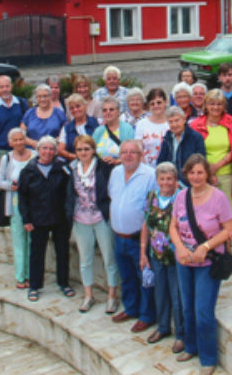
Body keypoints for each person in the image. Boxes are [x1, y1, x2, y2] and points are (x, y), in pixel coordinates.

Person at [169, 154, 232, 374]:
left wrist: (205, 247)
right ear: (186, 174)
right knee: (187, 307)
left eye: (200, 172)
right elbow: (173, 226)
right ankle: (191, 346)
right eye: (192, 173)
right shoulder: (181, 197)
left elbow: (228, 230)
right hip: (185, 261)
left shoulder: (218, 198)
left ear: (207, 173)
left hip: (207, 263)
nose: (196, 177)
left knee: (203, 310)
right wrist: (179, 248)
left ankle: (208, 358)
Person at [65, 135, 120, 314]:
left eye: (86, 149)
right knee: (85, 259)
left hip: (101, 217)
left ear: (93, 150)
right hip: (81, 219)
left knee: (109, 258)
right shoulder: (71, 168)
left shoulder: (104, 167)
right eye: (79, 149)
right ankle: (88, 295)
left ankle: (112, 296)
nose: (83, 153)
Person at [108, 140, 157, 333]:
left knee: (144, 278)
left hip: (139, 238)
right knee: (127, 276)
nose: (128, 156)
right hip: (119, 236)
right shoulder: (116, 173)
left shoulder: (150, 175)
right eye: (124, 152)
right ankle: (131, 308)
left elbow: (153, 207)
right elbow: (113, 197)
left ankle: (147, 315)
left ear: (141, 154)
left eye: (132, 152)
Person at [18, 136, 73, 302]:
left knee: (63, 252)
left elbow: (69, 193)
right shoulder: (28, 171)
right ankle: (35, 285)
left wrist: (68, 214)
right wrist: (26, 219)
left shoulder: (62, 168)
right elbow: (22, 197)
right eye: (44, 148)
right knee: (37, 253)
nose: (48, 152)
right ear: (38, 150)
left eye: (51, 149)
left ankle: (64, 283)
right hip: (38, 219)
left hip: (60, 219)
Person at [139, 162, 185, 351]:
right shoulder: (152, 197)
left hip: (176, 257)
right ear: (157, 180)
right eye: (162, 179)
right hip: (156, 255)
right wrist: (143, 252)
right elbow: (145, 225)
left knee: (177, 295)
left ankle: (181, 335)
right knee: (160, 293)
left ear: (175, 180)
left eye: (170, 179)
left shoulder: (181, 198)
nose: (166, 182)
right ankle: (163, 327)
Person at [190, 89, 232, 215]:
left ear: (224, 106)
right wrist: (209, 171)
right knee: (205, 215)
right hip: (202, 176)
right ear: (206, 105)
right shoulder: (195, 125)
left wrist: (218, 165)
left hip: (226, 174)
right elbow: (193, 152)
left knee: (227, 214)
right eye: (212, 103)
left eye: (219, 104)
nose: (215, 107)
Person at [0, 128, 35, 289]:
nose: (19, 143)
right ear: (10, 143)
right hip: (15, 201)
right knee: (19, 239)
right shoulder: (6, 159)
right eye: (16, 140)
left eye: (21, 139)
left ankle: (31, 274)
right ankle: (20, 276)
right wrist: (10, 186)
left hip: (33, 201)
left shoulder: (34, 155)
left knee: (32, 240)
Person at [0, 75, 28, 175]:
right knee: (2, 183)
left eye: (7, 86)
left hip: (20, 148)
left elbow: (28, 124)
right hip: (1, 151)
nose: (5, 89)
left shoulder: (21, 103)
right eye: (1, 87)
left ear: (11, 86)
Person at [156, 106, 206, 185]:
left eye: (177, 120)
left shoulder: (196, 137)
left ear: (184, 119)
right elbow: (161, 162)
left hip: (189, 182)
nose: (174, 124)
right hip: (169, 182)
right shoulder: (167, 137)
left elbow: (200, 162)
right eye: (171, 122)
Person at [20, 84, 66, 149]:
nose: (42, 99)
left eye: (45, 96)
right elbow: (21, 134)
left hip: (52, 150)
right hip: (32, 151)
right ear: (36, 98)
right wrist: (33, 143)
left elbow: (66, 132)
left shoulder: (59, 113)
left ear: (50, 96)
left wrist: (52, 142)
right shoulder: (29, 113)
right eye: (39, 96)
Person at [92, 97, 134, 167]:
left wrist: (117, 161)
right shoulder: (98, 131)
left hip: (121, 169)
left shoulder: (127, 129)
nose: (108, 112)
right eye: (105, 110)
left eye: (111, 109)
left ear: (118, 112)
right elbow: (91, 151)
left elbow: (132, 153)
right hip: (101, 171)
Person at [58, 94, 100, 162]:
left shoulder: (97, 122)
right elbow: (60, 150)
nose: (75, 110)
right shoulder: (66, 128)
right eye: (72, 108)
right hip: (75, 163)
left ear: (85, 106)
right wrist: (76, 157)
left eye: (78, 106)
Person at [133, 88, 169, 165]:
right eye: (152, 103)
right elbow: (139, 150)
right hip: (147, 169)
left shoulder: (171, 123)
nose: (156, 106)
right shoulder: (141, 124)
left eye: (159, 102)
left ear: (165, 102)